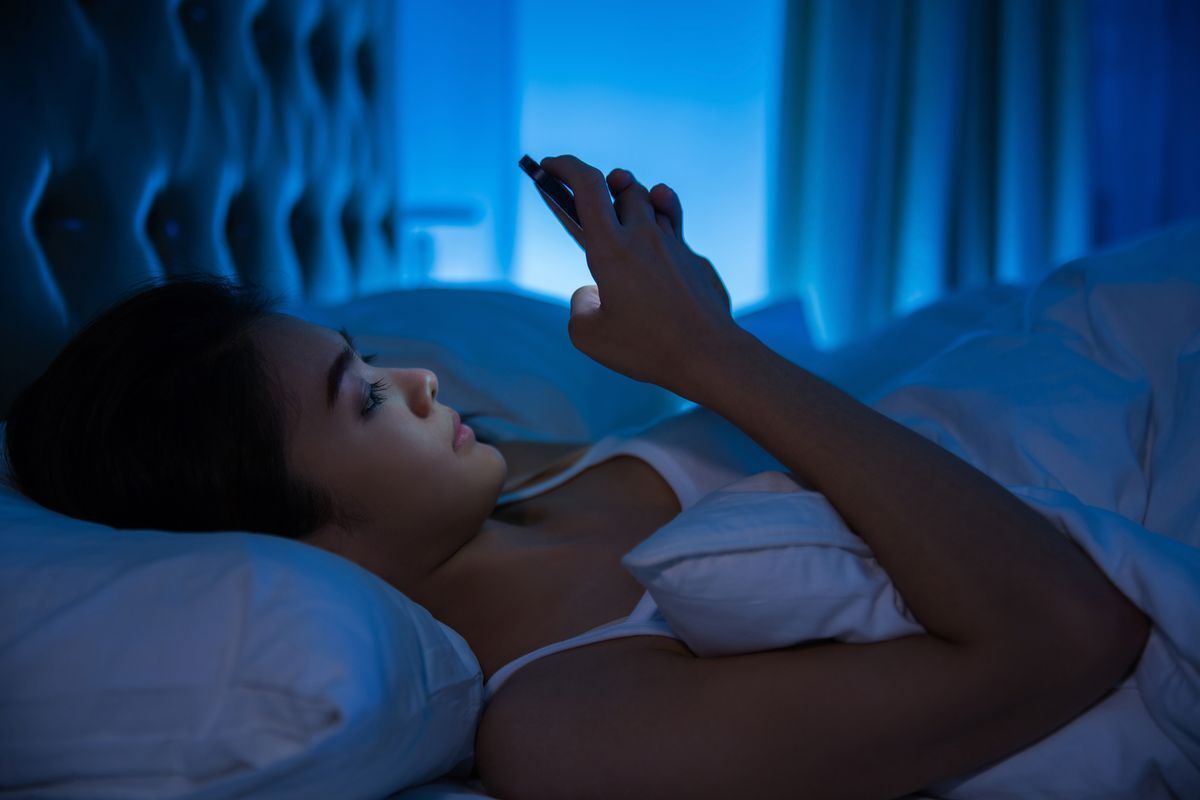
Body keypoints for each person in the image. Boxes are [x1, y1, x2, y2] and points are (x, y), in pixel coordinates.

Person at [4, 155, 1148, 799]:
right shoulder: (558, 724)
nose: (414, 378)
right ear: (302, 542)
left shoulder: (522, 470)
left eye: (368, 355)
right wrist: (721, 361)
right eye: (360, 395)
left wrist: (700, 319)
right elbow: (1071, 633)